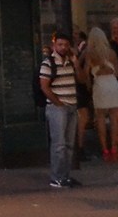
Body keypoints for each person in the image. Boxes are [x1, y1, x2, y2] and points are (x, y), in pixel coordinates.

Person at [39, 29, 82, 191]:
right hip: (58, 108)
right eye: (60, 44)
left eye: (65, 45)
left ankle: (65, 176)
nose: (63, 47)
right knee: (59, 144)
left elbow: (82, 79)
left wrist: (77, 64)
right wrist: (58, 103)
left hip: (71, 105)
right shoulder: (48, 63)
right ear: (54, 45)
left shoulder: (70, 62)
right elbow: (44, 86)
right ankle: (57, 178)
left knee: (69, 144)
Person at [82, 27, 118, 162]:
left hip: (100, 84)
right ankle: (114, 147)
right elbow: (116, 71)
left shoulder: (90, 53)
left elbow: (86, 72)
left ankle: (105, 149)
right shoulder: (111, 52)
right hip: (112, 83)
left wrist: (88, 85)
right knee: (114, 117)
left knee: (100, 117)